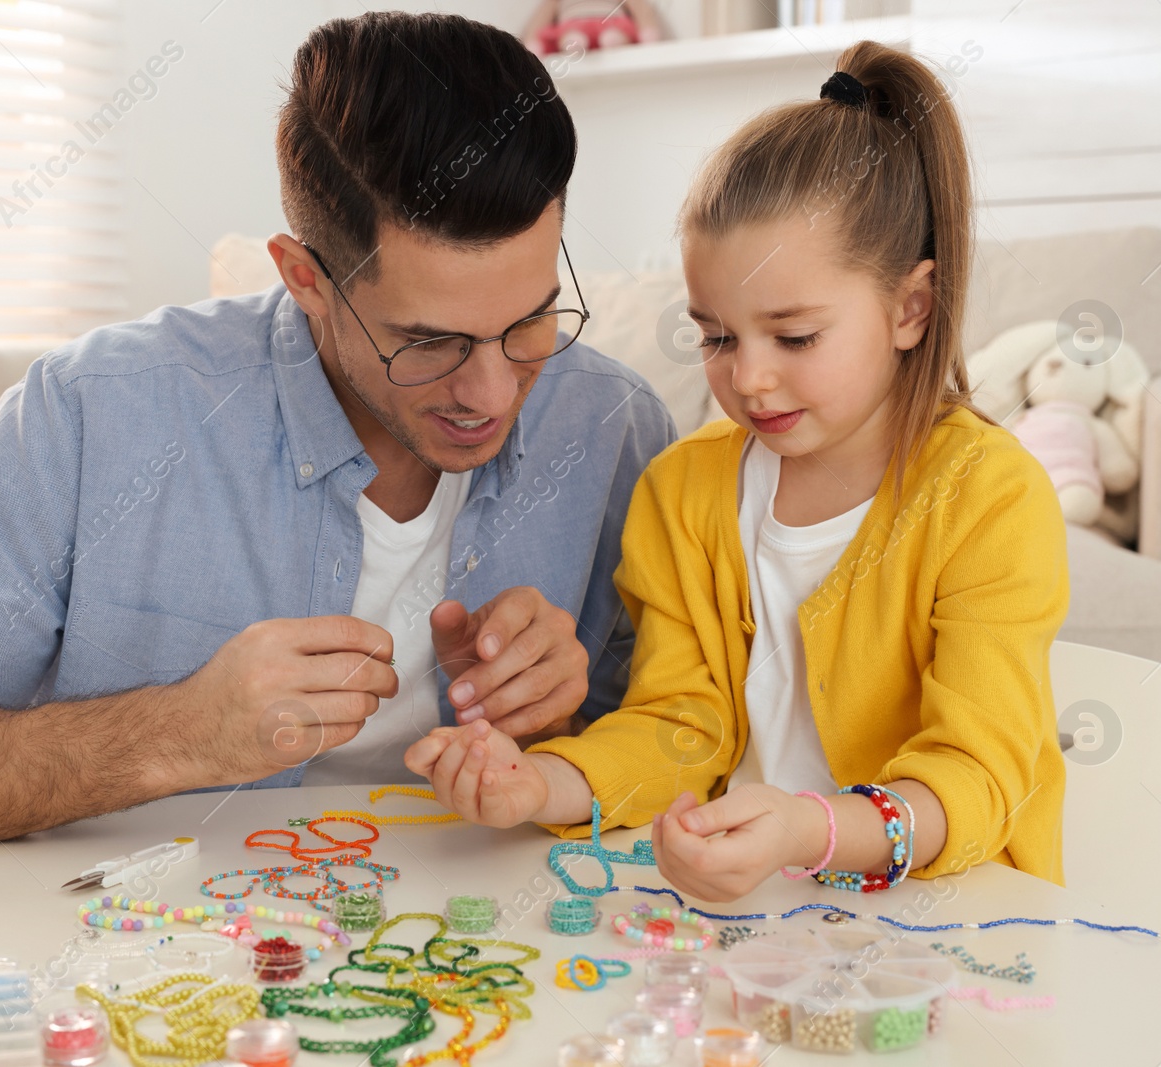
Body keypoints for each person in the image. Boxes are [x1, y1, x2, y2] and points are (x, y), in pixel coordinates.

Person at [0, 12, 675, 859]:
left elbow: (697, 746)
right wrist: (175, 733)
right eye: (427, 341)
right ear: (303, 277)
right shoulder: (93, 415)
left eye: (530, 320)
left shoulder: (610, 426)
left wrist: (568, 725)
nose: (489, 389)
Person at [407, 41, 1071, 900]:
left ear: (911, 308)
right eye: (716, 336)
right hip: (760, 916)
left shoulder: (991, 498)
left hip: (954, 919)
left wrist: (813, 827)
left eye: (795, 337)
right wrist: (543, 782)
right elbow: (677, 728)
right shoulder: (685, 492)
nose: (747, 378)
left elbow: (977, 777)